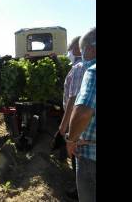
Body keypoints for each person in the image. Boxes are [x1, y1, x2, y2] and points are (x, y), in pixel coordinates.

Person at [50, 36, 87, 200]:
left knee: (78, 159)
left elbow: (73, 101)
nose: (69, 52)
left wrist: (62, 130)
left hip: (78, 122)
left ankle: (81, 192)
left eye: (71, 48)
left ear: (79, 48)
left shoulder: (80, 67)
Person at [66, 27, 96, 202]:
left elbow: (83, 112)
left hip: (92, 156)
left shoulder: (93, 71)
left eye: (83, 49)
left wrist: (71, 140)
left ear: (91, 49)